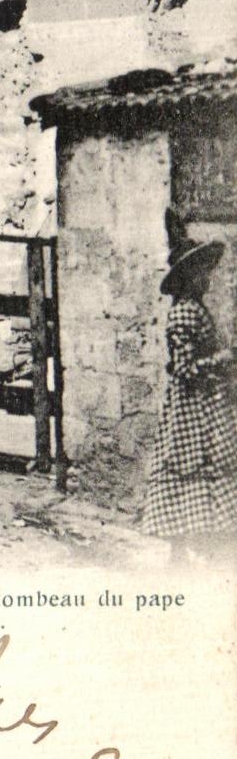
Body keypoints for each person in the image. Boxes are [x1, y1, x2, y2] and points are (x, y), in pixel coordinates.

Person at [142, 212, 237, 562]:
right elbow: (184, 369)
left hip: (205, 402)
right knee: (190, 465)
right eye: (201, 274)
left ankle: (196, 546)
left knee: (207, 467)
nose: (207, 279)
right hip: (192, 406)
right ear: (187, 279)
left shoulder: (195, 309)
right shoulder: (184, 312)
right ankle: (181, 549)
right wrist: (225, 359)